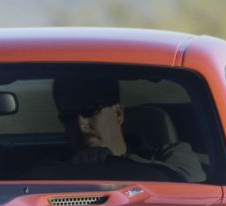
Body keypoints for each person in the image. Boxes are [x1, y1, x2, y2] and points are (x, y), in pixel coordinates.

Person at [51, 75, 205, 182]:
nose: (80, 125)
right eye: (68, 116)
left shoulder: (174, 155)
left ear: (118, 113)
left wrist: (112, 162)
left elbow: (189, 182)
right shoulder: (52, 169)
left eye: (90, 111)